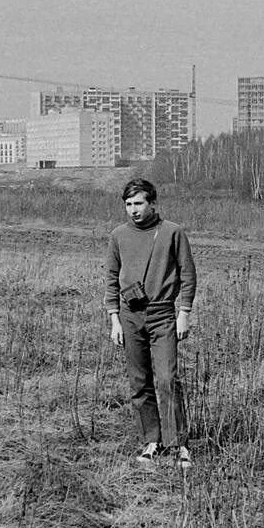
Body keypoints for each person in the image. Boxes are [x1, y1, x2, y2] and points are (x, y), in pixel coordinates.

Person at [104, 178, 198, 469]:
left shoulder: (172, 233)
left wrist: (184, 312)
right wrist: (114, 320)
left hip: (162, 315)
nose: (133, 210)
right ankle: (152, 440)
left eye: (139, 203)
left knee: (168, 379)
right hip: (131, 317)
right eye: (128, 204)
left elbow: (188, 274)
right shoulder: (118, 235)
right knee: (139, 381)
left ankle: (179, 443)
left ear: (153, 203)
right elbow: (110, 278)